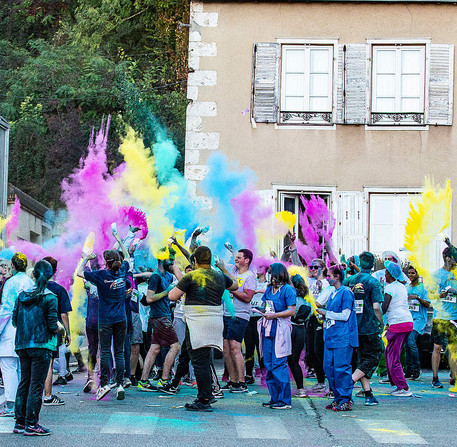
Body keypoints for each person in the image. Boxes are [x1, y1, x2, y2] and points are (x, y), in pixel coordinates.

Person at [169, 246, 238, 411]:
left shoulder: (191, 276)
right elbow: (235, 285)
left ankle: (204, 398)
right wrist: (223, 268)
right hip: (215, 321)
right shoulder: (219, 276)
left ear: (195, 261)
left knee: (199, 362)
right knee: (206, 359)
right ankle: (208, 394)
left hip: (196, 322)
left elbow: (172, 296)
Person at [12, 259, 65, 436]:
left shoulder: (22, 296)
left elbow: (14, 321)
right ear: (51, 276)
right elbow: (52, 325)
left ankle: (19, 422)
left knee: (24, 382)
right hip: (42, 345)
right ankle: (32, 424)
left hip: (22, 344)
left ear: (33, 274)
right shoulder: (50, 297)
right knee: (36, 385)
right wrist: (61, 327)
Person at [77, 230, 131, 401]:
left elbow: (79, 273)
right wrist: (119, 239)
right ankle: (121, 384)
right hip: (121, 318)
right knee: (120, 351)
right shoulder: (123, 271)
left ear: (105, 263)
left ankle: (105, 384)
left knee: (106, 351)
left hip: (105, 320)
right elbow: (128, 257)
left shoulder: (101, 275)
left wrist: (86, 258)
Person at [343, 251, 384, 406]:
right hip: (369, 327)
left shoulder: (350, 280)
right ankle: (349, 383)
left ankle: (368, 394)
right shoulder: (373, 283)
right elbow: (376, 307)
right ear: (373, 265)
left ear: (360, 263)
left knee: (362, 360)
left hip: (353, 326)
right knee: (373, 356)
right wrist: (381, 322)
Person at [318, 265, 358, 411]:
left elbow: (345, 315)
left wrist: (325, 313)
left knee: (341, 368)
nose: (327, 278)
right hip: (331, 336)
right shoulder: (333, 293)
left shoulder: (346, 293)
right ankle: (337, 396)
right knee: (329, 367)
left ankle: (345, 399)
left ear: (337, 276)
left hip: (343, 337)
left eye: (329, 276)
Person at [137, 258, 182, 391]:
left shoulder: (168, 275)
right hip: (159, 316)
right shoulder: (156, 277)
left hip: (164, 314)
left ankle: (143, 381)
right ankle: (164, 380)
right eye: (171, 259)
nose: (173, 262)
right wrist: (167, 291)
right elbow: (150, 298)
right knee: (175, 346)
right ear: (162, 260)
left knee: (155, 348)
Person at [0, 253, 34, 417]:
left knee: (8, 367)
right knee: (22, 368)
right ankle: (23, 403)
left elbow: (6, 310)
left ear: (13, 266)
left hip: (11, 330)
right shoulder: (30, 282)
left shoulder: (11, 283)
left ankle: (11, 405)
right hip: (28, 330)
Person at [259, 263, 296, 410]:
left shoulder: (288, 290)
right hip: (268, 328)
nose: (269, 276)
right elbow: (266, 306)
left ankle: (284, 399)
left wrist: (274, 315)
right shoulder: (269, 290)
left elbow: (291, 311)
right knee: (268, 363)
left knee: (279, 363)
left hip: (280, 328)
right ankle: (274, 397)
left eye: (270, 273)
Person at [218, 249, 256, 393]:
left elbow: (247, 297)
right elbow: (221, 266)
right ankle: (233, 381)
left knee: (235, 347)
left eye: (239, 258)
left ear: (247, 260)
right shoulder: (233, 270)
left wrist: (232, 289)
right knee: (226, 348)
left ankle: (242, 381)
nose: (236, 259)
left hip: (240, 315)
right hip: (226, 313)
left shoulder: (250, 276)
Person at [42, 256, 72, 406]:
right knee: (48, 363)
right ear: (54, 271)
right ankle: (47, 396)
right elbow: (64, 314)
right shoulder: (59, 290)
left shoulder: (33, 287)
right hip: (52, 332)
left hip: (33, 331)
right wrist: (68, 332)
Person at [382, 260, 413, 397]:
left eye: (387, 272)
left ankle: (404, 387)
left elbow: (384, 307)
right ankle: (396, 382)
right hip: (407, 322)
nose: (385, 274)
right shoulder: (401, 287)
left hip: (397, 324)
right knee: (390, 353)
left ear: (392, 274)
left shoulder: (389, 288)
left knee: (393, 357)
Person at [431, 246, 457, 389]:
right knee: (437, 347)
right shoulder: (436, 275)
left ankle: (453, 376)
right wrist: (439, 295)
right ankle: (435, 377)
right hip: (440, 316)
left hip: (454, 316)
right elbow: (430, 295)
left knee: (453, 348)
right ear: (448, 258)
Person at [305, 258, 329, 396]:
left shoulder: (326, 283)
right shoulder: (310, 282)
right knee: (311, 351)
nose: (312, 269)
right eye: (311, 267)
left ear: (323, 268)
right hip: (310, 318)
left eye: (316, 267)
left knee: (319, 350)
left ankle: (325, 381)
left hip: (321, 318)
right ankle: (320, 381)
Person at [244, 264, 268, 385]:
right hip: (249, 317)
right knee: (249, 347)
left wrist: (256, 291)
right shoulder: (252, 280)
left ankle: (264, 373)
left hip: (260, 318)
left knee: (261, 348)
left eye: (260, 267)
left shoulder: (267, 283)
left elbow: (267, 290)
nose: (257, 270)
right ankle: (248, 373)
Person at [405, 266, 430, 380]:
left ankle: (416, 368)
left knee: (411, 341)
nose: (410, 275)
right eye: (409, 273)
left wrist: (417, 298)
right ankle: (409, 369)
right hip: (408, 318)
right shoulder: (406, 287)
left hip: (419, 318)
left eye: (413, 273)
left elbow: (427, 304)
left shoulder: (423, 288)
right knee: (406, 344)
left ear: (417, 274)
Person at [288, 274, 311, 397]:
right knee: (294, 361)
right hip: (301, 330)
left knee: (285, 359)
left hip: (290, 329)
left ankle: (283, 389)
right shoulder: (306, 301)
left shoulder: (290, 298)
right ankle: (300, 389)